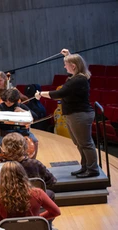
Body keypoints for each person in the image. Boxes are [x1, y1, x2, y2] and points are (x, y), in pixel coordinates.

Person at [35, 49, 99, 178]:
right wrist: (68, 55)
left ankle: (93, 169)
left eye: (66, 64)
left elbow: (59, 94)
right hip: (74, 114)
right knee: (79, 143)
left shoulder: (78, 80)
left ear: (73, 66)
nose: (64, 67)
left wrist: (40, 94)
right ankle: (85, 166)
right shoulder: (77, 77)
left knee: (85, 143)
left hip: (80, 115)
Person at [0, 161, 61, 226]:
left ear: (1, 178)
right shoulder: (38, 193)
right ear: (23, 175)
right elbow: (56, 212)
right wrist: (37, 218)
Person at [2, 132, 57, 201]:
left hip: (13, 201)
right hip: (35, 199)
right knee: (50, 193)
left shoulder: (5, 167)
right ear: (25, 147)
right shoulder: (35, 164)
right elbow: (51, 181)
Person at [0, 89, 39, 159]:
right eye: (6, 101)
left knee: (35, 141)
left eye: (11, 101)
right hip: (5, 131)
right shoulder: (0, 107)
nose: (8, 103)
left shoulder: (19, 106)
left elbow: (35, 117)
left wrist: (23, 111)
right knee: (1, 143)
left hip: (21, 130)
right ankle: (3, 160)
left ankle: (33, 160)